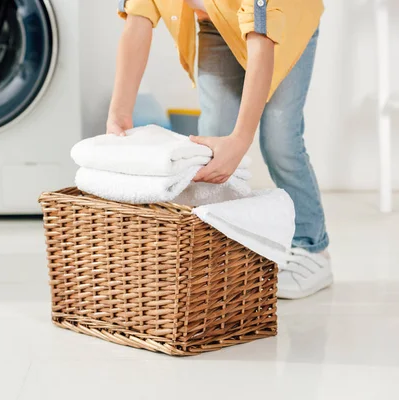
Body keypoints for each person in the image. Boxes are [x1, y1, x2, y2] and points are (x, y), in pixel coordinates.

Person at [106, 0, 332, 299]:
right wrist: (119, 111)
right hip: (216, 23)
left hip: (285, 21)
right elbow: (138, 20)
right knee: (212, 141)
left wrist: (240, 139)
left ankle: (311, 246)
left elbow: (261, 39)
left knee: (280, 142)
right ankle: (223, 243)